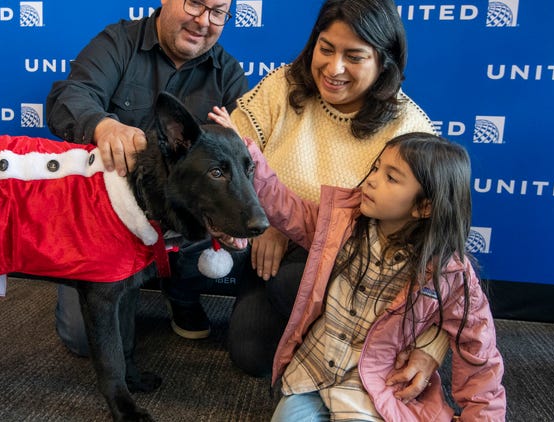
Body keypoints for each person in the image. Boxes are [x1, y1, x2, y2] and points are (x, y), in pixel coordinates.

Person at [224, 0, 449, 390]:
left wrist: (433, 342)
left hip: (359, 268)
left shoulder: (411, 128)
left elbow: (440, 248)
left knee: (294, 284)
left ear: (384, 61)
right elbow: (233, 154)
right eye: (325, 49)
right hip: (275, 247)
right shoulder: (282, 85)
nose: (334, 68)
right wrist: (267, 221)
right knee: (249, 352)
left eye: (354, 56)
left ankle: (358, 351)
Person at [209, 114, 507, 420]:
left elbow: (479, 355)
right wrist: (242, 152)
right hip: (312, 373)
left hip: (371, 388)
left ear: (424, 206)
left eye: (391, 178)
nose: (372, 179)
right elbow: (286, 207)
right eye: (376, 168)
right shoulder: (341, 223)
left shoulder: (449, 274)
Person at [44, 0, 247, 356]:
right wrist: (103, 126)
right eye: (194, 3)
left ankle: (183, 295)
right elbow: (69, 97)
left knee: (238, 212)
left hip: (182, 222)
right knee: (83, 341)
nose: (204, 21)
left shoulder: (228, 73)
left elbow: (247, 154)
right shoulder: (117, 43)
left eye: (218, 12)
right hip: (107, 222)